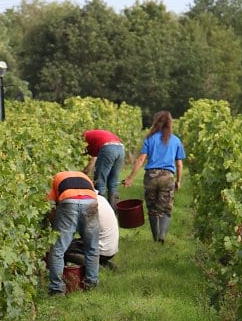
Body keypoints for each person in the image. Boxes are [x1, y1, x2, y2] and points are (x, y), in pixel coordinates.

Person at [123, 110, 185, 244]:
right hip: (168, 177)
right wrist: (178, 181)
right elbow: (179, 164)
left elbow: (140, 160)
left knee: (152, 209)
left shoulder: (150, 139)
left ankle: (155, 237)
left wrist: (130, 177)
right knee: (165, 209)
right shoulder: (176, 140)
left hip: (151, 177)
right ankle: (162, 235)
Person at [47, 171, 100, 296]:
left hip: (68, 202)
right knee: (92, 247)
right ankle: (91, 284)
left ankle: (57, 289)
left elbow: (50, 206)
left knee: (58, 249)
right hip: (90, 202)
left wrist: (51, 225)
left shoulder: (54, 178)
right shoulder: (84, 177)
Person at [65, 194, 119, 271]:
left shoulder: (86, 203)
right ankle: (106, 264)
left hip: (101, 250)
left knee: (63, 249)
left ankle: (95, 267)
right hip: (111, 248)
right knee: (73, 244)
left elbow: (73, 231)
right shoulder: (100, 198)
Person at [83, 129, 125, 210]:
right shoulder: (94, 135)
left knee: (99, 182)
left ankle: (102, 211)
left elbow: (91, 160)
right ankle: (113, 212)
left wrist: (84, 175)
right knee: (113, 183)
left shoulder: (83, 138)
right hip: (121, 148)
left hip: (108, 148)